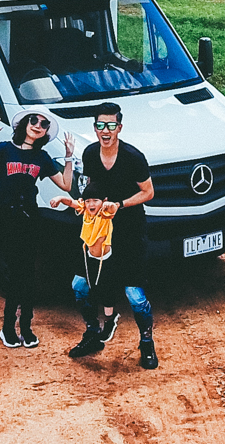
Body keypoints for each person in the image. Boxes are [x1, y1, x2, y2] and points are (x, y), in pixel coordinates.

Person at [50, 101, 159, 368]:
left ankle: (147, 344)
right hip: (98, 235)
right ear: (95, 128)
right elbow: (89, 192)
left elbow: (148, 192)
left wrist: (120, 205)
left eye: (111, 125)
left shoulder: (133, 157)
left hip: (128, 232)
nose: (105, 130)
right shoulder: (89, 154)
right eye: (100, 125)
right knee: (79, 285)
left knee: (134, 293)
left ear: (119, 127)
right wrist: (76, 203)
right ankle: (93, 333)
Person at [0, 111, 77, 348]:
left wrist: (68, 157)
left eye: (43, 124)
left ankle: (25, 326)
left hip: (29, 220)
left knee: (27, 274)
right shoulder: (5, 149)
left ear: (46, 131)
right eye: (33, 121)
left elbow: (66, 185)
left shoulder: (42, 157)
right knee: (16, 274)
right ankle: (8, 328)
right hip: (4, 221)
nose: (38, 126)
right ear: (24, 124)